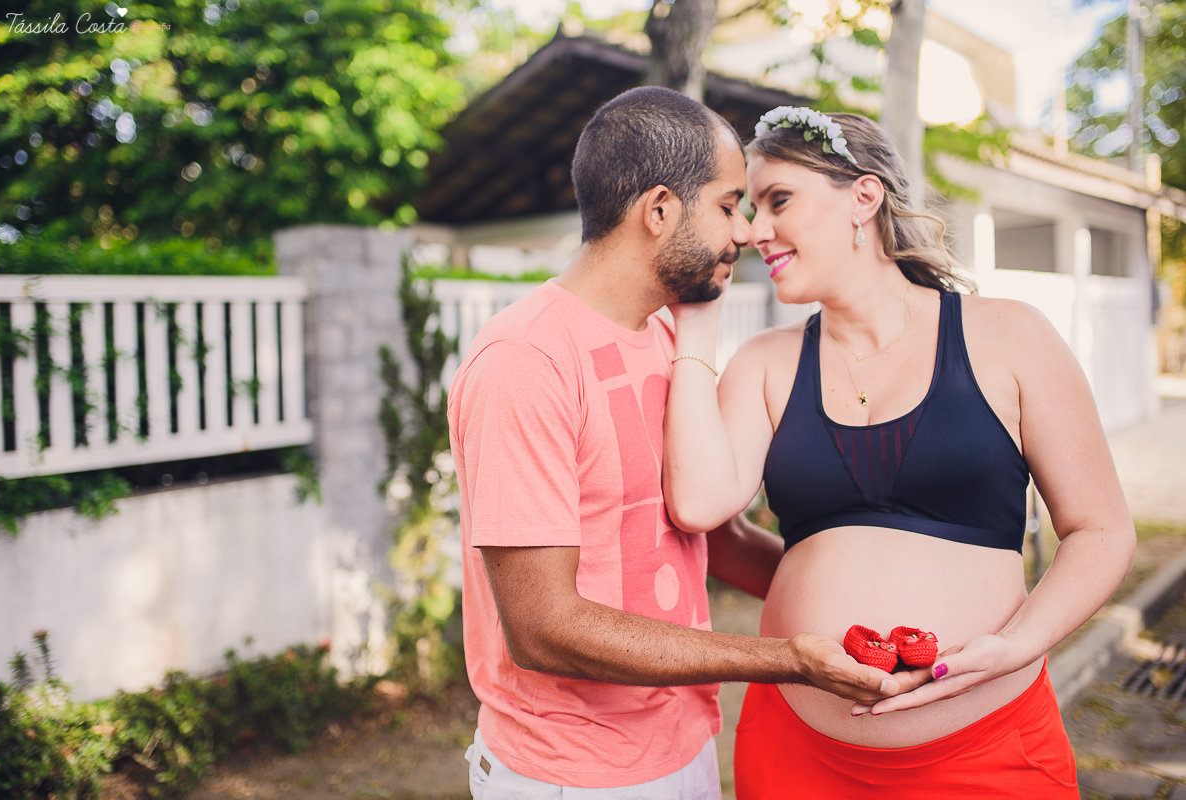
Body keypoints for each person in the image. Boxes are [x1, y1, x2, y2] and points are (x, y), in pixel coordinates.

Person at [447, 88, 930, 799]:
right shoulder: (525, 361)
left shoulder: (666, 338)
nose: (746, 233)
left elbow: (709, 537)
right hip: (570, 775)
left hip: (684, 746)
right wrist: (786, 659)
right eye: (731, 205)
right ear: (661, 211)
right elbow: (543, 628)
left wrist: (859, 613)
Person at [661, 106, 1136, 798]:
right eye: (748, 208)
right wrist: (696, 328)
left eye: (778, 201)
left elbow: (1101, 530)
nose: (755, 231)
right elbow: (703, 509)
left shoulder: (1010, 337)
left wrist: (1018, 642)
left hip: (989, 750)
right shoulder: (762, 364)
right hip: (799, 756)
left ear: (863, 197)